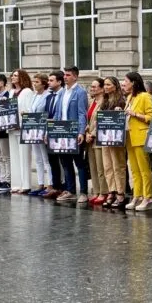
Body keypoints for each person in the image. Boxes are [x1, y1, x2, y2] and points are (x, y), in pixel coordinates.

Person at [55, 66, 89, 203]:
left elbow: (82, 113)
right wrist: (53, 131)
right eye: (64, 75)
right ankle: (70, 190)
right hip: (62, 131)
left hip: (74, 131)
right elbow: (58, 113)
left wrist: (81, 132)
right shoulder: (62, 92)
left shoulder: (80, 92)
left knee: (79, 162)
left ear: (75, 76)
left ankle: (84, 192)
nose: (65, 77)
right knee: (65, 162)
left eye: (68, 75)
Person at [122, 71, 152, 211]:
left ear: (134, 82)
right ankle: (137, 195)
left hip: (141, 136)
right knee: (134, 170)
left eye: (126, 81)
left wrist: (135, 114)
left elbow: (151, 116)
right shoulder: (130, 97)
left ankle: (147, 196)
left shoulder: (145, 96)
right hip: (130, 136)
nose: (124, 84)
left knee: (144, 169)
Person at [101, 76, 128, 209]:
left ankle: (120, 192)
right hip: (105, 137)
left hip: (116, 138)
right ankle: (111, 190)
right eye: (104, 85)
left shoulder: (121, 100)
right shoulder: (105, 101)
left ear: (115, 86)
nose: (105, 87)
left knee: (118, 166)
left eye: (108, 85)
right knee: (108, 166)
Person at [7, 69, 35, 194]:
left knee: (24, 156)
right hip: (11, 127)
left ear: (22, 78)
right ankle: (16, 184)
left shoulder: (27, 91)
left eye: (16, 75)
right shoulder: (11, 92)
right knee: (14, 156)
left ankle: (26, 184)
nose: (13, 77)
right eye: (12, 75)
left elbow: (29, 109)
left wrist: (23, 119)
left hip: (22, 128)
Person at [85, 79, 110, 206]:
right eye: (91, 86)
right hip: (89, 139)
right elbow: (89, 120)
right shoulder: (91, 102)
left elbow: (102, 121)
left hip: (99, 139)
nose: (92, 89)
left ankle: (103, 192)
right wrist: (87, 132)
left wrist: (93, 134)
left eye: (95, 87)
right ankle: (96, 191)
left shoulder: (105, 102)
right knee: (93, 167)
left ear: (101, 89)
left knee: (101, 168)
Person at [42, 71, 66, 200]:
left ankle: (64, 186)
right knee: (52, 160)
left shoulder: (63, 94)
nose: (49, 82)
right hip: (49, 130)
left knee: (63, 161)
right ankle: (56, 186)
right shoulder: (49, 96)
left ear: (59, 82)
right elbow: (47, 115)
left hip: (61, 130)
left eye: (51, 80)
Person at [28, 73, 52, 196]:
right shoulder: (34, 95)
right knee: (37, 158)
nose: (35, 84)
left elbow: (48, 113)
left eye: (37, 82)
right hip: (33, 129)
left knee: (45, 158)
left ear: (44, 83)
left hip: (43, 129)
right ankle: (40, 183)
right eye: (34, 82)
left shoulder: (48, 96)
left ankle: (50, 184)